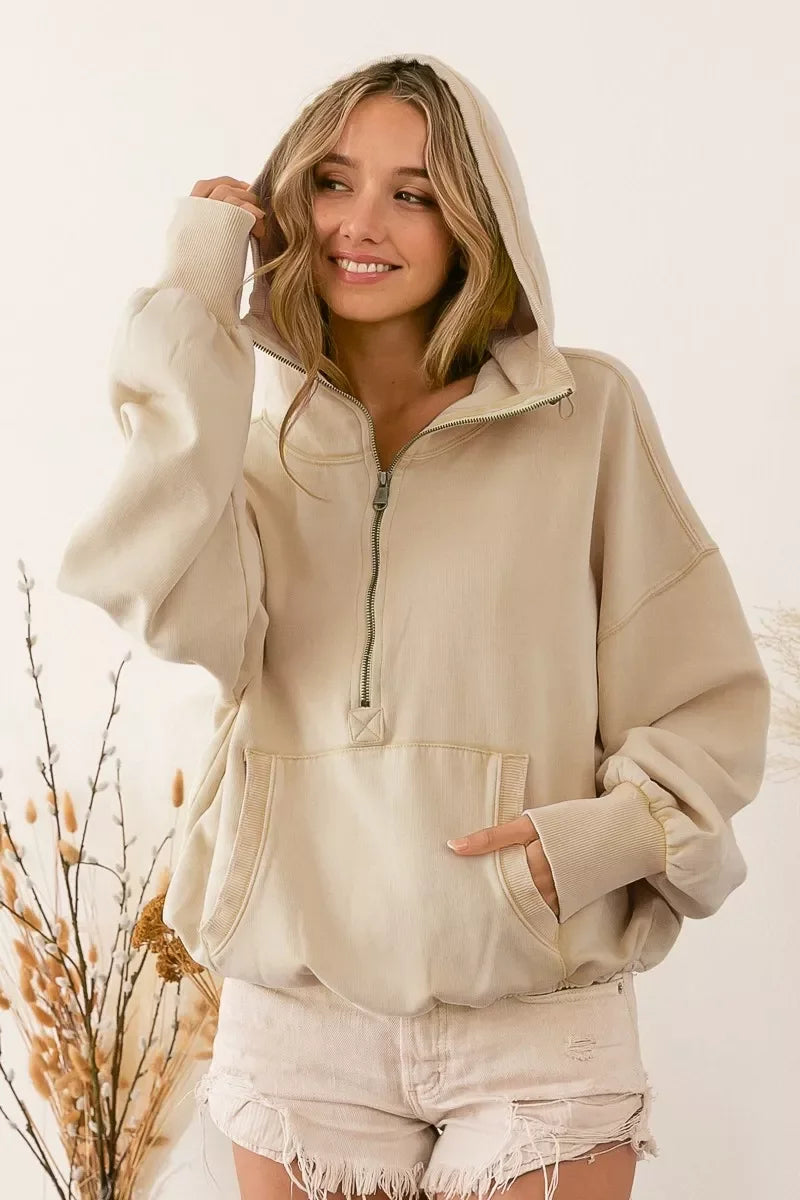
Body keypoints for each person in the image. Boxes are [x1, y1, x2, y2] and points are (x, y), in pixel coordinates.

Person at [55, 51, 771, 1200]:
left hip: (535, 1020)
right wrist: (197, 298)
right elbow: (175, 612)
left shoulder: (585, 414)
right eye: (333, 183)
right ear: (291, 204)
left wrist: (588, 847)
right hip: (300, 1024)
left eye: (414, 192)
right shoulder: (246, 432)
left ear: (472, 221)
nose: (362, 223)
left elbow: (705, 693)